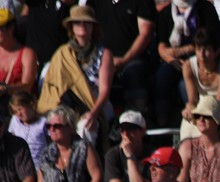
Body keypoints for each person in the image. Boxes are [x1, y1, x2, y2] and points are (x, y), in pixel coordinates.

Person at [37, 5, 114, 146]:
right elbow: (53, 90)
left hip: (96, 106)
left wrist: (93, 114)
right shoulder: (62, 54)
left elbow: (104, 91)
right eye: (77, 22)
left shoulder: (104, 54)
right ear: (71, 27)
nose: (82, 25)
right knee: (49, 126)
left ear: (93, 27)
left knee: (85, 127)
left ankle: (87, 165)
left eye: (86, 22)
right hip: (66, 108)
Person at [155, 0, 220, 128]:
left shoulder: (205, 10)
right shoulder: (165, 13)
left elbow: (209, 41)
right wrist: (171, 59)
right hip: (173, 61)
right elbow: (161, 46)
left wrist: (180, 51)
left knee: (183, 85)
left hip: (200, 60)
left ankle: (197, 121)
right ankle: (161, 124)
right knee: (162, 75)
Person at [89, 0, 155, 117]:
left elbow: (145, 34)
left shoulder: (142, 2)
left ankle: (138, 120)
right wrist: (105, 61)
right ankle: (101, 120)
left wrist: (124, 60)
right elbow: (87, 28)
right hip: (100, 59)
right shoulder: (95, 3)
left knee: (133, 72)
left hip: (133, 59)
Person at [180, 26, 220, 141]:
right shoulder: (188, 66)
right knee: (187, 140)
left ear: (217, 51)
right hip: (201, 111)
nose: (202, 55)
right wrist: (189, 108)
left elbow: (219, 103)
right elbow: (193, 100)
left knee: (208, 138)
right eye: (198, 49)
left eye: (206, 50)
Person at [0, 6, 37, 100]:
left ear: (11, 28)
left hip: (19, 104)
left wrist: (6, 90)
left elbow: (27, 86)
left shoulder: (27, 54)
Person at [6, 91, 46, 169]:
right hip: (21, 168)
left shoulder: (43, 122)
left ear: (31, 105)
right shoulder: (15, 121)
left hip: (39, 167)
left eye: (20, 109)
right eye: (15, 111)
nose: (18, 114)